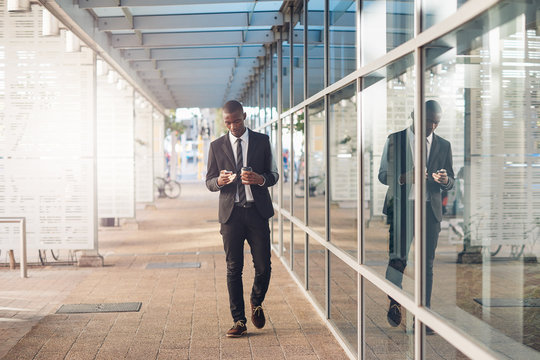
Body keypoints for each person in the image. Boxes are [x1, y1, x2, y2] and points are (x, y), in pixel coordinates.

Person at [378, 100, 454, 332]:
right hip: (402, 208)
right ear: (414, 115)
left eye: (436, 122)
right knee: (398, 259)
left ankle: (424, 317)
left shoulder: (444, 144)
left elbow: (451, 179)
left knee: (427, 265)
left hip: (429, 212)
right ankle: (395, 301)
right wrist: (404, 177)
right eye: (428, 120)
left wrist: (445, 181)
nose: (432, 126)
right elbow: (383, 175)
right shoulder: (395, 140)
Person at [206, 100, 279, 338]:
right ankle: (239, 320)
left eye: (236, 120)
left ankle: (256, 301)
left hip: (257, 213)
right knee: (233, 268)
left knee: (263, 266)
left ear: (244, 116)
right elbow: (209, 181)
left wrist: (260, 179)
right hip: (231, 215)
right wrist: (220, 181)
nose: (233, 126)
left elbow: (274, 174)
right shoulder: (217, 146)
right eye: (228, 122)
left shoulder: (262, 141)